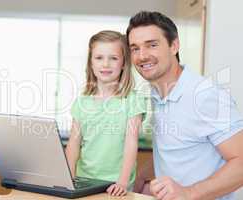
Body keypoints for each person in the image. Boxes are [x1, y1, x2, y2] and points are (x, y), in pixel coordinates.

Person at [126, 11, 243, 200]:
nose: (142, 56)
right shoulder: (156, 94)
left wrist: (190, 193)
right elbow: (175, 150)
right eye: (135, 48)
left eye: (152, 45)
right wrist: (141, 177)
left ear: (174, 46)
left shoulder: (205, 95)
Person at [65, 30, 146, 196]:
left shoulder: (132, 99)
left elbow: (131, 143)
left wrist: (122, 182)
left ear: (124, 63)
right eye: (99, 58)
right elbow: (73, 146)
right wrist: (69, 179)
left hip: (117, 185)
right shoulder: (82, 102)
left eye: (113, 58)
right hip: (84, 180)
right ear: (91, 63)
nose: (106, 64)